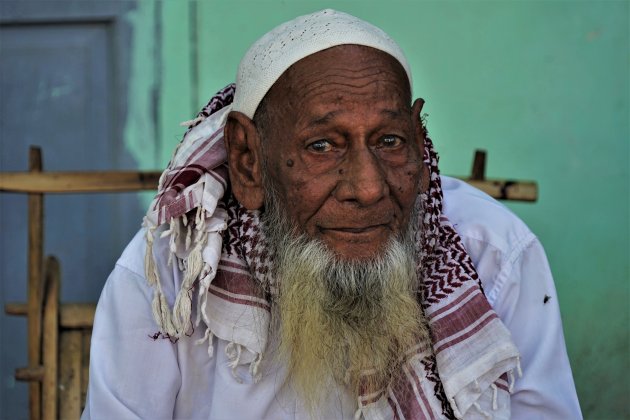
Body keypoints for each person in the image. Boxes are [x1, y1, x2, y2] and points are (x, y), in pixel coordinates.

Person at [83, 9, 581, 419]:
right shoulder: (171, 282)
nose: (367, 188)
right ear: (248, 160)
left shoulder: (494, 255)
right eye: (322, 146)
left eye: (389, 141)